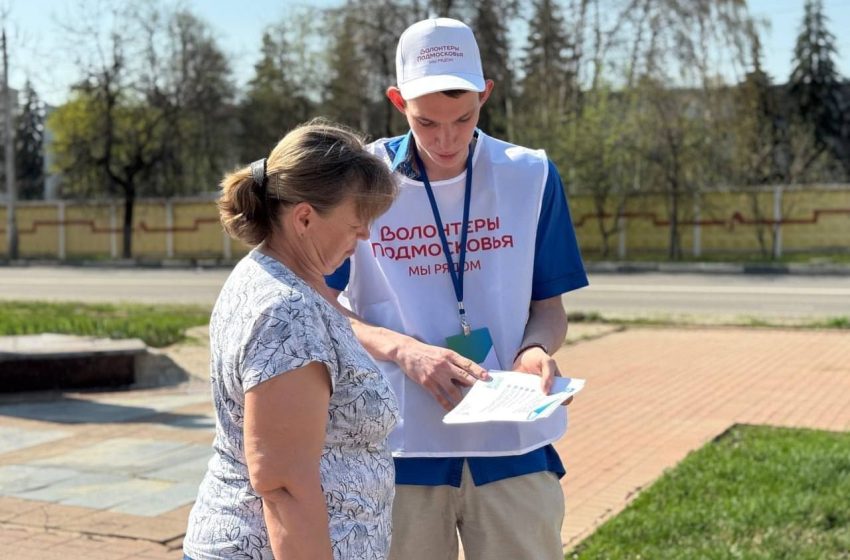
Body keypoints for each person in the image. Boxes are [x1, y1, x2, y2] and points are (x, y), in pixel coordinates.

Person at [325, 17, 589, 560]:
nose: (446, 140)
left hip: (511, 445)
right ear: (398, 101)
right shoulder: (359, 180)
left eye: (463, 119)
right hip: (398, 446)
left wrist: (537, 349)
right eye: (427, 123)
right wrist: (403, 349)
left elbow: (549, 309)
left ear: (485, 94)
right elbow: (320, 304)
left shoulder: (530, 175)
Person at [183, 120, 400, 560]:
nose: (363, 239)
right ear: (304, 218)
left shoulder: (272, 277)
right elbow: (283, 484)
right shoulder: (286, 310)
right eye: (356, 226)